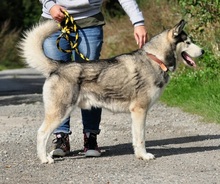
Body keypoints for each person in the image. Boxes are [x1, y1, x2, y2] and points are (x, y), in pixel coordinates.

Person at [39, 0, 147, 157]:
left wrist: (138, 22)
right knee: (61, 83)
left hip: (89, 21)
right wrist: (50, 5)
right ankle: (61, 136)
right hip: (54, 20)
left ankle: (91, 136)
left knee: (94, 80)